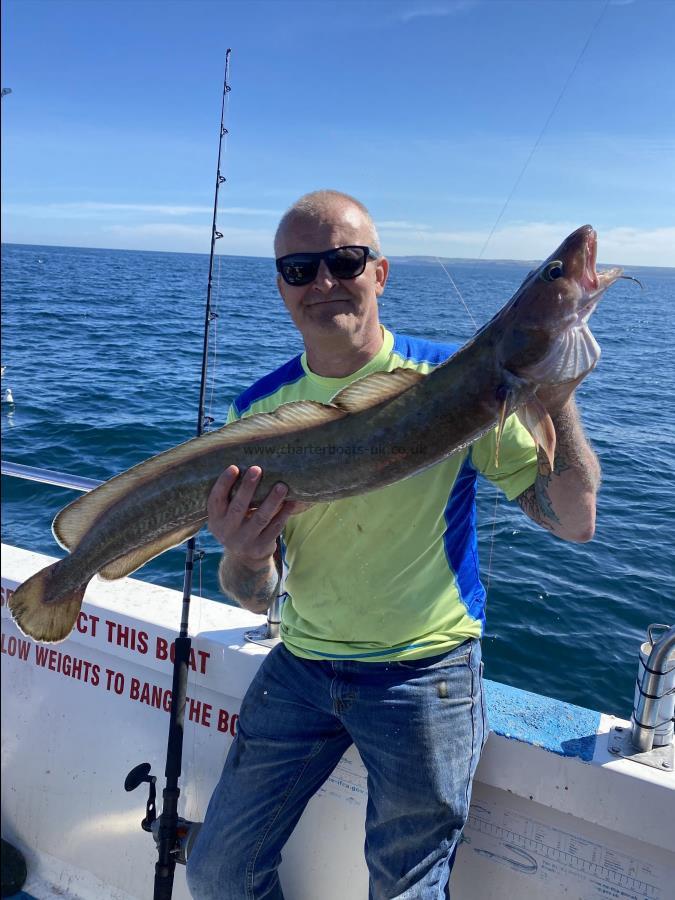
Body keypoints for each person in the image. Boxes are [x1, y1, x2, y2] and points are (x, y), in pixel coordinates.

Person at [186, 190, 600, 899]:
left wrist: (553, 395)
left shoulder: (459, 385)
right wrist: (247, 557)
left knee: (405, 889)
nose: (322, 282)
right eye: (298, 268)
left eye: (344, 261)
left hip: (424, 678)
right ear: (281, 286)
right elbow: (254, 593)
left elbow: (571, 520)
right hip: (301, 666)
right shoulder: (254, 417)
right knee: (218, 868)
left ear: (380, 273)